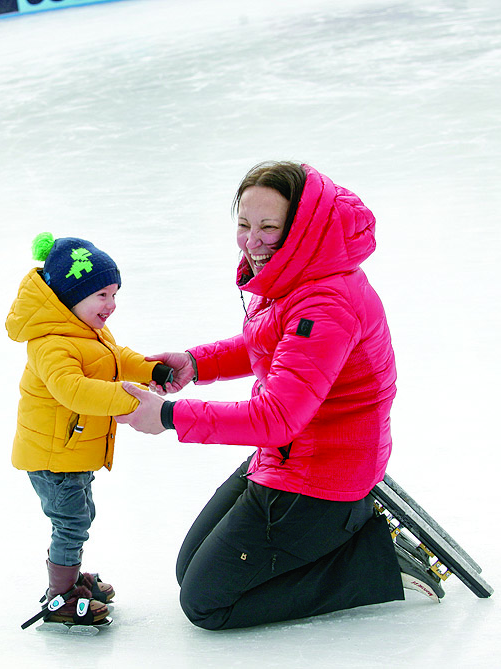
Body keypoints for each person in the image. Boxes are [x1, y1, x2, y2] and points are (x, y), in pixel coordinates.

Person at [114, 161, 445, 630]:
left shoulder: (326, 301)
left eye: (269, 227)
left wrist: (169, 415)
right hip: (293, 454)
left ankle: (376, 560)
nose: (252, 241)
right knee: (189, 569)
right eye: (244, 225)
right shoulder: (304, 273)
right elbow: (274, 345)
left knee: (206, 603)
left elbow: (278, 416)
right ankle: (344, 539)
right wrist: (198, 362)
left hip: (323, 475)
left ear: (302, 228)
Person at [7, 233, 173, 626]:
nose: (111, 305)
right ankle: (60, 594)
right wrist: (134, 399)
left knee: (79, 516)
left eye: (115, 294)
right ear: (70, 296)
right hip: (53, 456)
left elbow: (116, 359)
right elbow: (74, 390)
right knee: (71, 522)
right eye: (102, 295)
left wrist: (151, 370)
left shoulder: (86, 330)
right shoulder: (50, 343)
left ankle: (67, 577)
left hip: (72, 450)